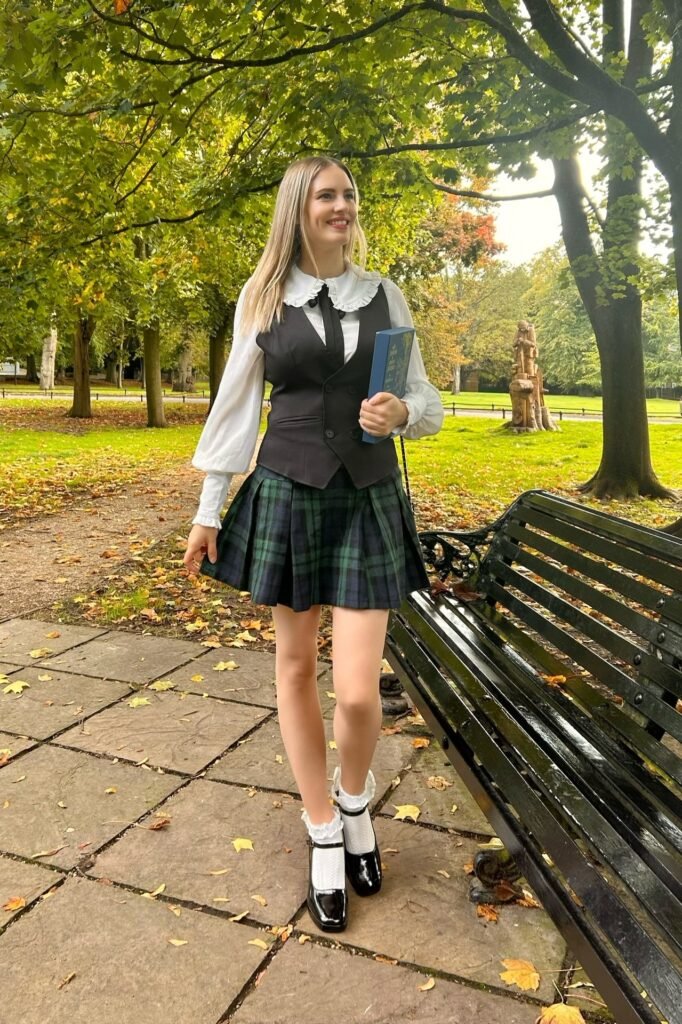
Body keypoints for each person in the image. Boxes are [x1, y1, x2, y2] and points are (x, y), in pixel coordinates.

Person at [183, 155, 443, 933]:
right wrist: (207, 509)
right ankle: (324, 829)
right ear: (299, 207)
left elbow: (426, 398)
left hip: (366, 500)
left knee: (359, 690)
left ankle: (358, 802)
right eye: (327, 195)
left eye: (349, 195)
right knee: (295, 669)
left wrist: (401, 414)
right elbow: (234, 409)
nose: (343, 205)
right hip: (290, 491)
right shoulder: (262, 297)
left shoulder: (385, 293)